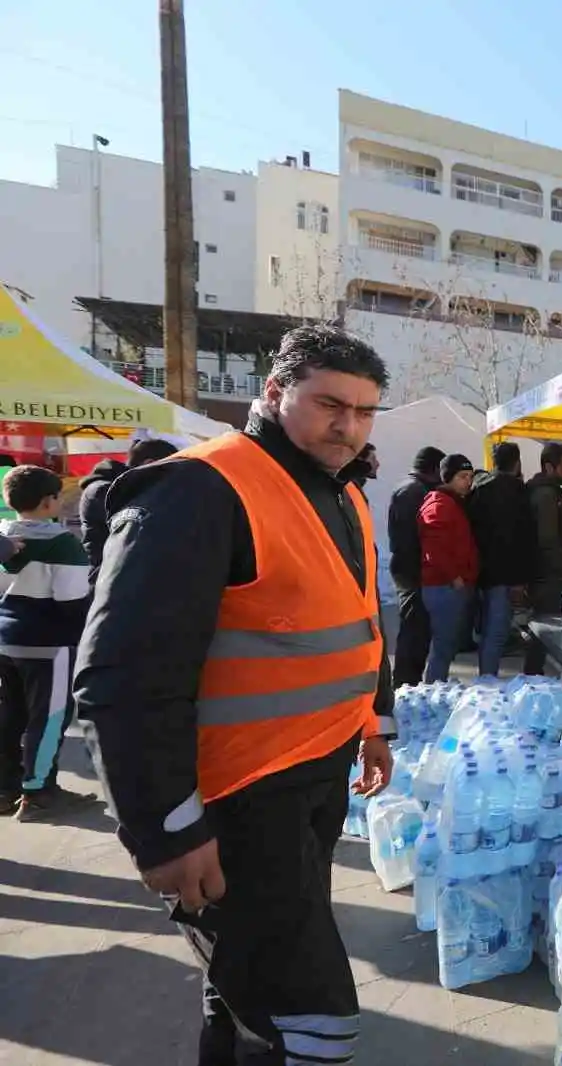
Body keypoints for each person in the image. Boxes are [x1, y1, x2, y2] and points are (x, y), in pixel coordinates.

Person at [74, 323, 396, 1064]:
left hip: (313, 776)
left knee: (244, 983)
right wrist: (163, 828)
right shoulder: (200, 487)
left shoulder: (339, 493)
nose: (348, 426)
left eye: (365, 410)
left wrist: (371, 721)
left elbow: (357, 618)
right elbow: (123, 676)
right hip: (237, 797)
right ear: (275, 392)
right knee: (312, 1011)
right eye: (329, 405)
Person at [0, 465, 94, 819]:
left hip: (5, 639)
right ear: (47, 502)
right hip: (47, 644)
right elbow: (71, 601)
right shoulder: (62, 543)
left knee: (10, 714)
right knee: (49, 718)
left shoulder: (4, 535)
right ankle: (38, 792)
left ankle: (5, 788)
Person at [467, 442, 534, 677]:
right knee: (496, 632)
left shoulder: (479, 487)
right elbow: (520, 538)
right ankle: (487, 682)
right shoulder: (516, 491)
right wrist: (520, 579)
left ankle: (487, 677)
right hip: (504, 574)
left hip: (481, 572)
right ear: (517, 463)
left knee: (488, 630)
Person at [79, 438, 179, 586]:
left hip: (119, 578)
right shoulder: (104, 490)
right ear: (149, 464)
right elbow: (140, 529)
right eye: (168, 471)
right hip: (107, 581)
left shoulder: (126, 488)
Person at [388, 445, 445, 687]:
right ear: (433, 469)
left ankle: (406, 681)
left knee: (415, 628)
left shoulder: (409, 488)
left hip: (408, 567)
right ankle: (404, 684)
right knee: (414, 630)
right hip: (412, 570)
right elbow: (412, 538)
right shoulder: (414, 492)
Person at [419, 454, 479, 683]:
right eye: (463, 476)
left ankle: (435, 687)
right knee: (443, 647)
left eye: (471, 477)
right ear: (448, 478)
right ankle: (433, 689)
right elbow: (433, 548)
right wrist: (454, 577)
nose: (468, 482)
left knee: (445, 646)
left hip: (448, 585)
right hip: (443, 587)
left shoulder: (450, 502)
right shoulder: (439, 504)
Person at [527, 441, 562, 615]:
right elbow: (548, 539)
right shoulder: (546, 495)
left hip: (545, 575)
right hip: (549, 578)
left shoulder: (544, 492)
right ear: (549, 467)